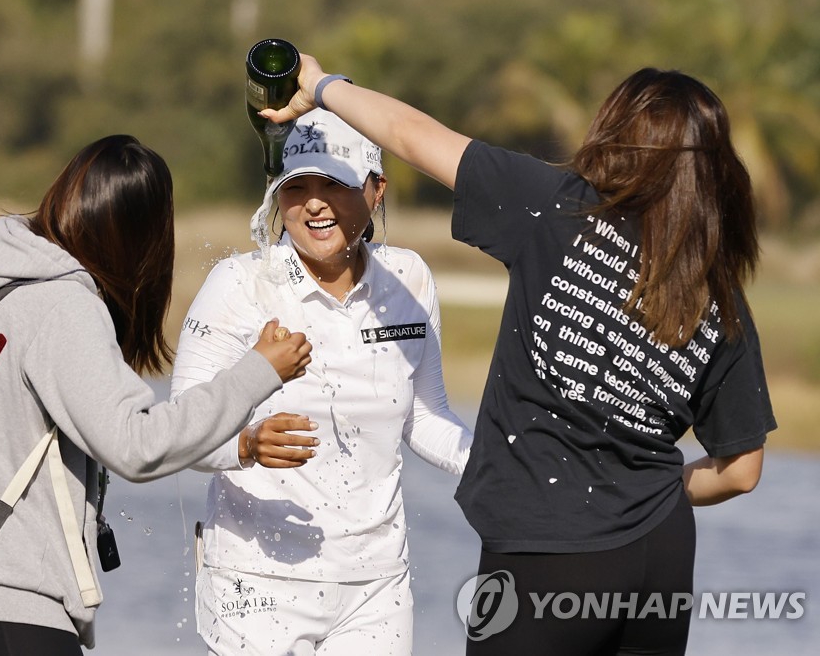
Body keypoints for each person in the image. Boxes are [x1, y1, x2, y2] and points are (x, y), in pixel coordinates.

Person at [260, 60, 777, 655]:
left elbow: (410, 135)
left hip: (544, 552)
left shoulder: (558, 206)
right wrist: (654, 491)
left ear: (616, 134)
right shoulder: (719, 292)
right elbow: (742, 470)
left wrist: (322, 87)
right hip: (662, 555)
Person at [0, 134, 312, 656]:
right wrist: (257, 372)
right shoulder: (61, 307)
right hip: (12, 611)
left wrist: (240, 442)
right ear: (141, 238)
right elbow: (136, 446)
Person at [169, 109, 473, 655]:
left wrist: (501, 464)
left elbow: (425, 418)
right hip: (254, 578)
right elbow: (178, 430)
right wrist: (245, 445)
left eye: (333, 185)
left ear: (377, 191)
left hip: (376, 586)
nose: (313, 203)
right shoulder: (239, 283)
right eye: (296, 187)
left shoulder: (409, 279)